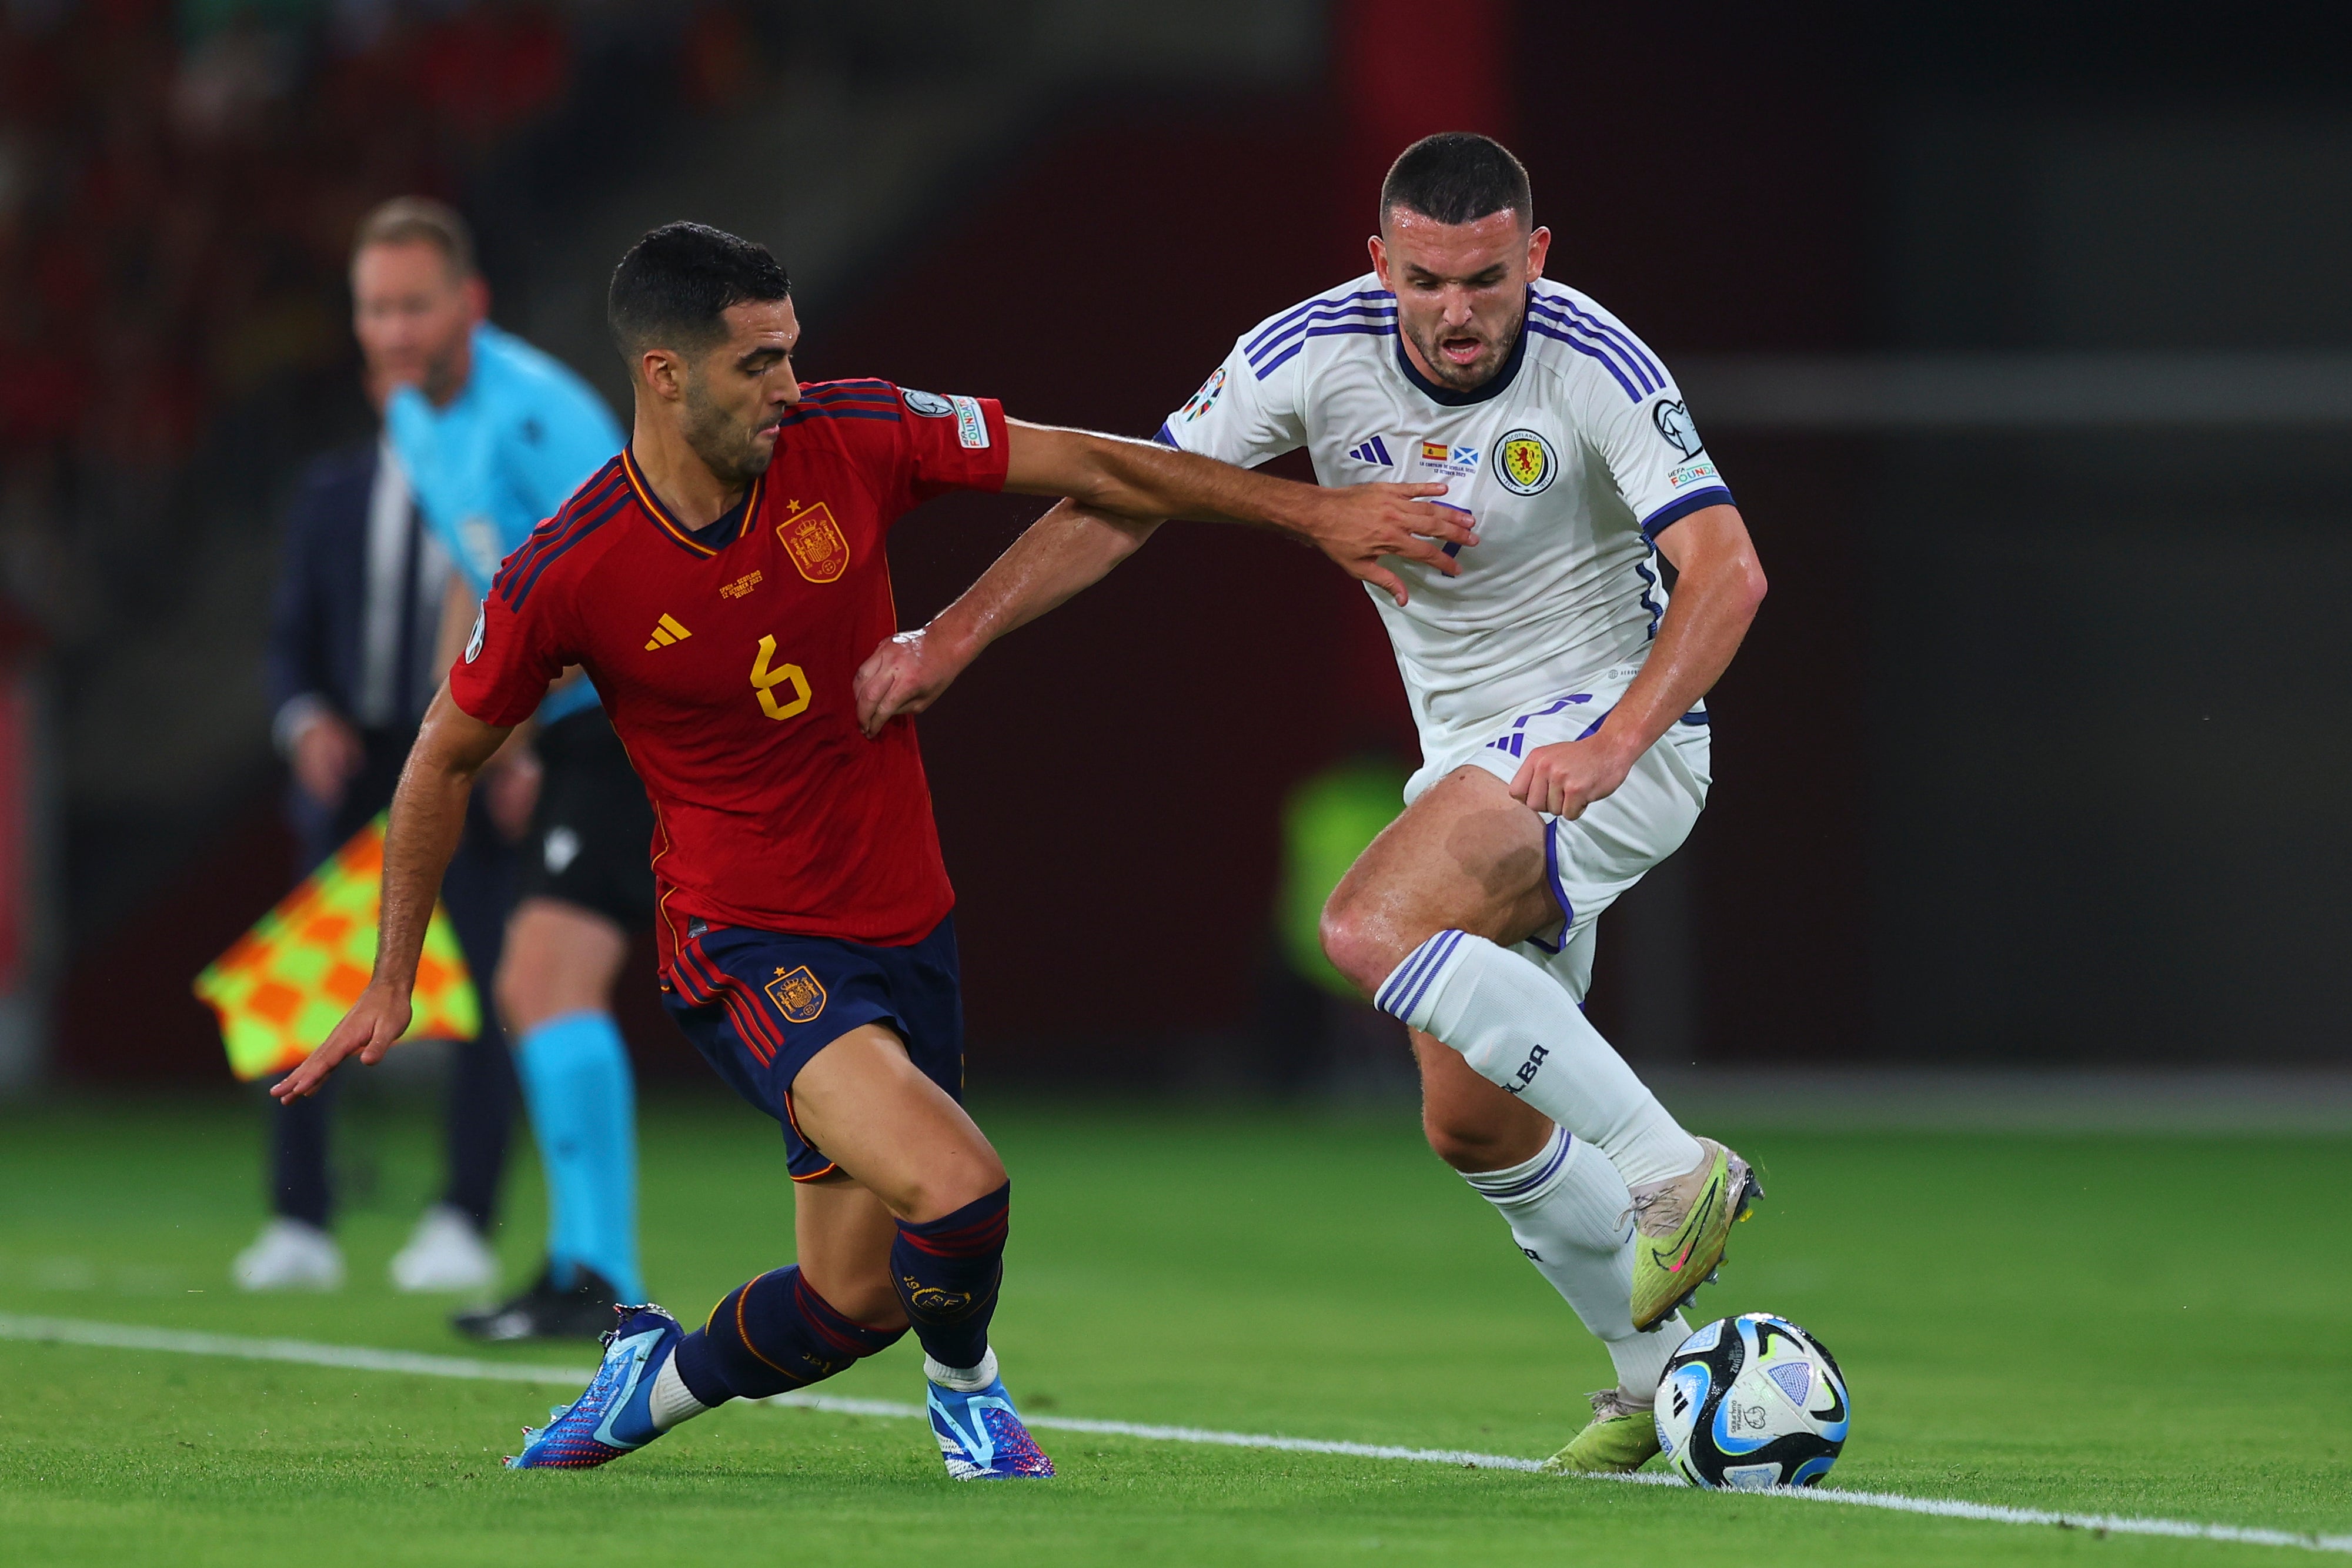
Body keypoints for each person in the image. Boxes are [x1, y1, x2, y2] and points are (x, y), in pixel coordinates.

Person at [273, 221, 1471, 1480]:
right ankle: (970, 1400)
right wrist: (392, 976)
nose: (790, 385)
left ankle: (648, 1381)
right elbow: (437, 759)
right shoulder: (571, 569)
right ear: (665, 376)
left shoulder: (851, 433)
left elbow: (1100, 466)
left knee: (853, 1299)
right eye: (757, 364)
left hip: (906, 921)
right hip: (747, 940)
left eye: (792, 352)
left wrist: (1310, 512)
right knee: (957, 1188)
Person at [852, 133, 1769, 1475]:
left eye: (1487, 279)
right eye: (1426, 279)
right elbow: (1124, 493)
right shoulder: (1308, 352)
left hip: (1608, 740)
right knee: (1469, 1118)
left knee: (1360, 924)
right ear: (1376, 261)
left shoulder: (1597, 362)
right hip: (1468, 758)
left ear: (1537, 257)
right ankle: (1655, 1375)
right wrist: (948, 637)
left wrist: (1621, 735)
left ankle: (1667, 1162)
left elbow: (1727, 572)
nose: (1457, 310)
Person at [350, 197, 649, 1339]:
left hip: (630, 716)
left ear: (466, 305)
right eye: (374, 308)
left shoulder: (535, 415)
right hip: (562, 726)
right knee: (541, 983)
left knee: (546, 980)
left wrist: (508, 728)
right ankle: (587, 1270)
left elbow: (623, 576)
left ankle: (598, 1276)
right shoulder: (412, 419)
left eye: (413, 305)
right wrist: (461, 729)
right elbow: (479, 575)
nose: (391, 330)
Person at [239, 325, 519, 1296]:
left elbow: (535, 628)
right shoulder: (329, 494)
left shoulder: (498, 496)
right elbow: (288, 644)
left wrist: (517, 749)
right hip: (357, 769)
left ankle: (464, 1219)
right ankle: (299, 1220)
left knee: (488, 991)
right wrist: (302, 719)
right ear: (370, 385)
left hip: (467, 759)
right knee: (302, 988)